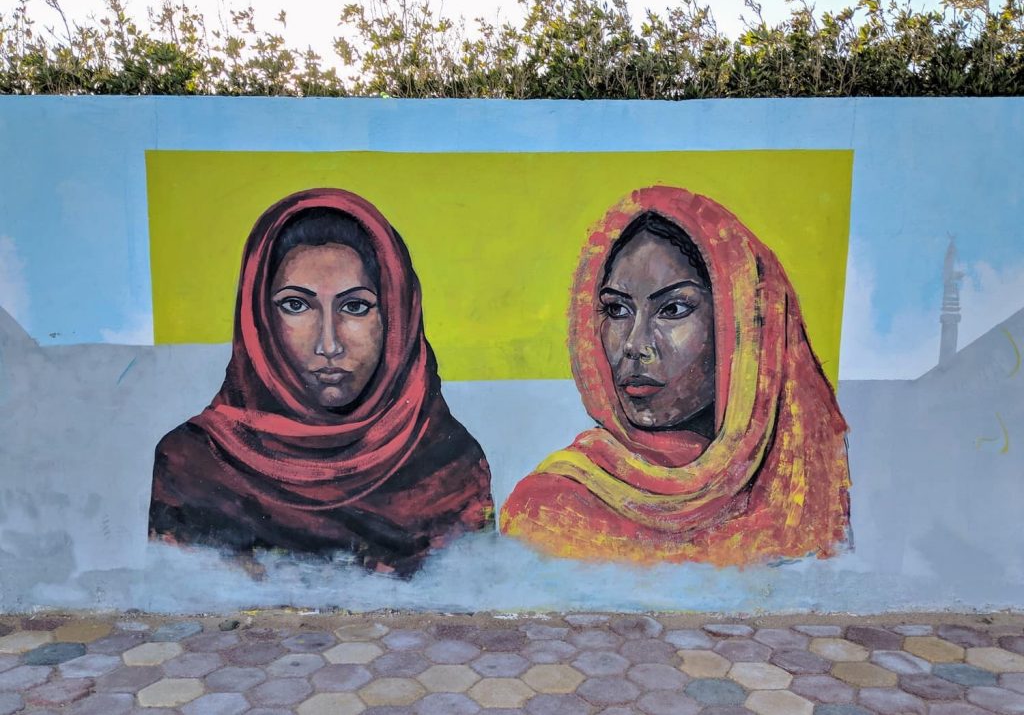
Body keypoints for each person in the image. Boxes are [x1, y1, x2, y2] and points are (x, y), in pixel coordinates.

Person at [500, 186, 851, 566]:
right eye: (616, 310)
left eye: (673, 308)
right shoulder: (552, 506)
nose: (634, 344)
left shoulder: (800, 484)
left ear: (742, 327)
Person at [150, 188, 493, 576]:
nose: (328, 343)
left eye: (356, 306)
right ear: (259, 320)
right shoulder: (193, 463)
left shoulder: (450, 466)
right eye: (296, 305)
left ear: (397, 317)